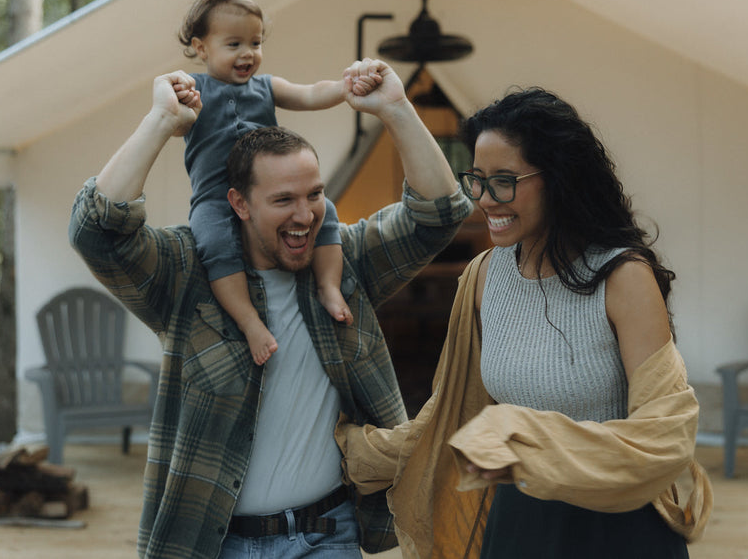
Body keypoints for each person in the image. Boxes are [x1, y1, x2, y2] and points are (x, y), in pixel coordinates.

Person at [68, 59, 472, 559]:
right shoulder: (186, 275)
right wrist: (161, 123)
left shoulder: (345, 264)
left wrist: (396, 109)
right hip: (217, 544)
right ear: (239, 203)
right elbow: (95, 232)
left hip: (330, 533)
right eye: (283, 200)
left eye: (315, 195)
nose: (305, 215)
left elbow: (438, 215)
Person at [336, 88, 712, 558]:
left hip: (615, 529)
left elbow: (666, 434)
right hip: (520, 525)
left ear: (558, 179)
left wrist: (521, 439)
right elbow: (451, 414)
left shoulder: (623, 277)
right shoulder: (482, 276)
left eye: (505, 180)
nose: (485, 199)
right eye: (477, 178)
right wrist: (348, 448)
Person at [174, 0, 376, 366]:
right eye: (234, 44)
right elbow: (173, 124)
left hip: (270, 194)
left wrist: (345, 88)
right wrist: (177, 101)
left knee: (326, 211)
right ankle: (250, 321)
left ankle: (328, 286)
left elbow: (311, 93)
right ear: (201, 48)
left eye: (256, 42)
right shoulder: (195, 90)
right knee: (215, 243)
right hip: (215, 196)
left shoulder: (266, 87)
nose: (247, 53)